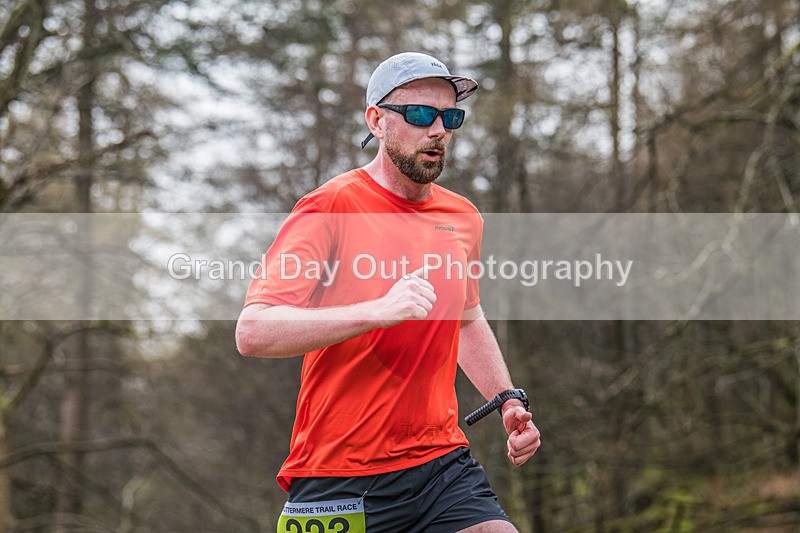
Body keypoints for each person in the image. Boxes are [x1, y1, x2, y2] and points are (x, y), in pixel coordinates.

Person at [236, 51, 541, 533]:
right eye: (421, 114)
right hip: (340, 472)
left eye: (450, 116)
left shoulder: (461, 216)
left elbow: (464, 318)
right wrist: (376, 311)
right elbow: (253, 331)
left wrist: (506, 398)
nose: (438, 129)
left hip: (440, 465)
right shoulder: (330, 207)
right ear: (377, 121)